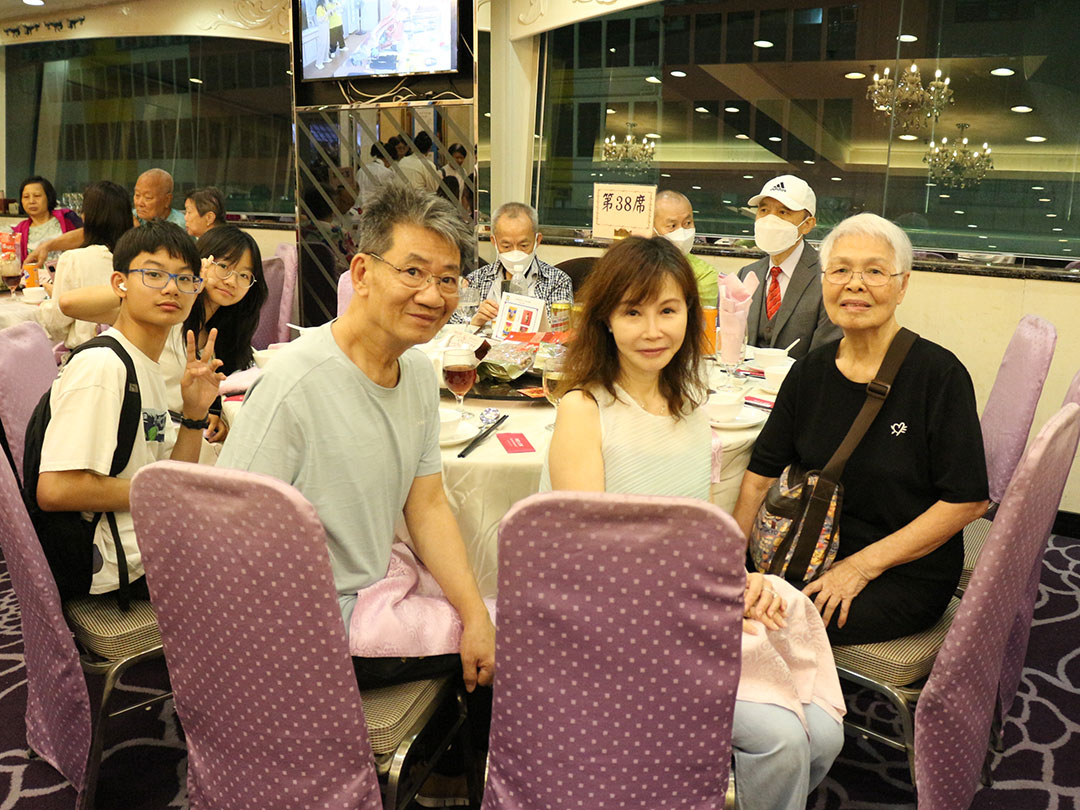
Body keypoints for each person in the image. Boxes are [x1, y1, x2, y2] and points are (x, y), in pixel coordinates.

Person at [543, 235, 844, 810]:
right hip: (619, 628)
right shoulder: (585, 409)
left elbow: (696, 532)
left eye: (668, 310)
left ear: (690, 314)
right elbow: (593, 560)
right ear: (605, 319)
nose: (652, 330)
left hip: (688, 606)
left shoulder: (689, 404)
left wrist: (737, 578)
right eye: (632, 312)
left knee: (826, 733)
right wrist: (712, 596)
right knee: (782, 739)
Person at [217, 182, 495, 695]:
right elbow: (227, 531)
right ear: (363, 273)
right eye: (413, 272)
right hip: (317, 624)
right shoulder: (296, 382)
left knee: (494, 618)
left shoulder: (417, 372)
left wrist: (474, 614)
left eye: (448, 279)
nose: (433, 295)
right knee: (520, 638)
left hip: (376, 589)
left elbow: (427, 505)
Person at [732, 213, 990, 645]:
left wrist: (860, 566)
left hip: (897, 571)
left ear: (902, 286)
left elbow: (967, 501)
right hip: (802, 549)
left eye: (874, 271)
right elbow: (759, 478)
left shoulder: (937, 375)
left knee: (763, 628)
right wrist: (732, 568)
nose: (855, 285)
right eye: (840, 270)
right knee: (724, 604)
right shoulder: (809, 372)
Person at [35, 220, 224, 598]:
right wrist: (160, 492)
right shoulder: (104, 367)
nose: (171, 288)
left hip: (144, 538)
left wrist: (194, 415)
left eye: (185, 278)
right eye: (154, 274)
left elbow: (170, 471)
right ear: (120, 283)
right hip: (113, 564)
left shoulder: (145, 364)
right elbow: (55, 489)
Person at [56, 225, 266, 446]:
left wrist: (211, 413)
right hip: (133, 427)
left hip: (176, 432)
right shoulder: (162, 314)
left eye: (244, 275)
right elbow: (69, 303)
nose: (231, 281)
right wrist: (176, 282)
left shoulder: (228, 333)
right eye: (223, 267)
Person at [738, 175, 841, 361]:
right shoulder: (746, 274)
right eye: (764, 210)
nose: (770, 220)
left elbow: (823, 357)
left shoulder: (829, 278)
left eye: (783, 212)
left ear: (807, 225)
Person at [37, 180, 132, 348]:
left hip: (87, 351)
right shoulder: (139, 256)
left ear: (87, 217)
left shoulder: (74, 259)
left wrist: (47, 305)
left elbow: (56, 323)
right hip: (133, 351)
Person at [449, 201, 573, 329]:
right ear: (494, 242)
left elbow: (561, 331)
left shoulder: (557, 281)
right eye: (506, 246)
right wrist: (475, 321)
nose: (515, 252)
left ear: (537, 240)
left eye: (523, 245)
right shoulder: (476, 280)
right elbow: (450, 328)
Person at [28, 168, 187, 263]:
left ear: (167, 200)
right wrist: (47, 245)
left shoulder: (179, 226)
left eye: (148, 198)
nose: (140, 203)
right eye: (137, 195)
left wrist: (136, 233)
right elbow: (92, 231)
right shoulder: (131, 215)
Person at [653, 189, 719, 308]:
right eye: (672, 226)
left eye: (687, 223)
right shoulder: (635, 266)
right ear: (652, 229)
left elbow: (703, 317)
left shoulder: (704, 274)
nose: (682, 231)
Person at [11, 176, 82, 264]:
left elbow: (88, 236)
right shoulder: (19, 231)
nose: (31, 201)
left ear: (49, 197)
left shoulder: (68, 218)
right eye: (26, 197)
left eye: (37, 196)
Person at [355, 143, 395, 209]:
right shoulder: (386, 172)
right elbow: (390, 194)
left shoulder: (362, 170)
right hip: (374, 208)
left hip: (358, 206)